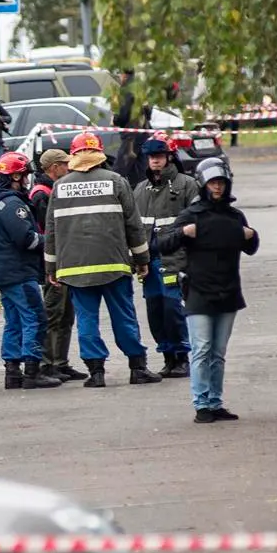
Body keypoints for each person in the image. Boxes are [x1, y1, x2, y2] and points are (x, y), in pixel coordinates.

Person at [45, 131, 161, 388]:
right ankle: (137, 367)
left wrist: (51, 268)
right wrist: (142, 259)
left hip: (75, 269)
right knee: (124, 316)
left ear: (74, 157)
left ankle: (96, 373)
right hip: (114, 265)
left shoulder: (59, 187)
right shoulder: (116, 181)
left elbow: (51, 231)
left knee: (86, 320)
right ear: (98, 155)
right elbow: (134, 225)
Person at [156, 158, 259, 422]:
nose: (218, 187)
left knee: (218, 352)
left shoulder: (234, 216)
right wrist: (183, 233)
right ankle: (201, 403)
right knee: (201, 349)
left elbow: (251, 247)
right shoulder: (192, 214)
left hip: (228, 291)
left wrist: (251, 234)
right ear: (203, 183)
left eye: (221, 183)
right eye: (213, 182)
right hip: (199, 291)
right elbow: (162, 243)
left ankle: (215, 401)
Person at [0, 151, 62, 390]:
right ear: (16, 176)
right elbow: (26, 240)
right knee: (35, 319)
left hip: (6, 272)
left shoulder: (0, 202)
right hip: (19, 273)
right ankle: (32, 371)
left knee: (15, 321)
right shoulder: (12, 205)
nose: (28, 180)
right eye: (26, 175)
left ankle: (13, 373)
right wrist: (51, 240)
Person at [133, 137, 197, 378]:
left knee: (174, 309)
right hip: (150, 263)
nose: (155, 161)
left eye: (159, 156)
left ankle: (182, 356)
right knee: (155, 311)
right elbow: (134, 227)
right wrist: (137, 260)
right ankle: (168, 356)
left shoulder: (187, 185)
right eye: (151, 157)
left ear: (170, 157)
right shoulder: (141, 190)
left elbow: (198, 222)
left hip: (177, 259)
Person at [29, 148, 83, 382]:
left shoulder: (53, 190)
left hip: (64, 260)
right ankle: (47, 363)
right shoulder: (42, 195)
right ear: (54, 168)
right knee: (53, 313)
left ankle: (60, 362)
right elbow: (51, 230)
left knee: (66, 314)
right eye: (64, 165)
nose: (68, 168)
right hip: (53, 262)